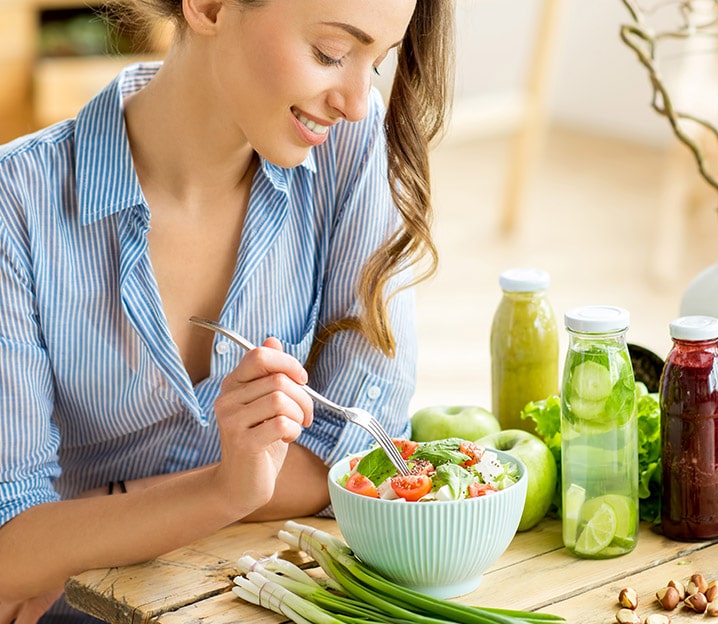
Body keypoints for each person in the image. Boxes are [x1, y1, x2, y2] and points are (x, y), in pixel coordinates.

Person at [0, 0, 453, 620]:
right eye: (331, 54)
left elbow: (362, 454)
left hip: (257, 581)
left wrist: (93, 519)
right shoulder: (18, 205)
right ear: (210, 6)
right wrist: (225, 487)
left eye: (375, 63)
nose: (353, 99)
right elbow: (9, 550)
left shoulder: (347, 147)